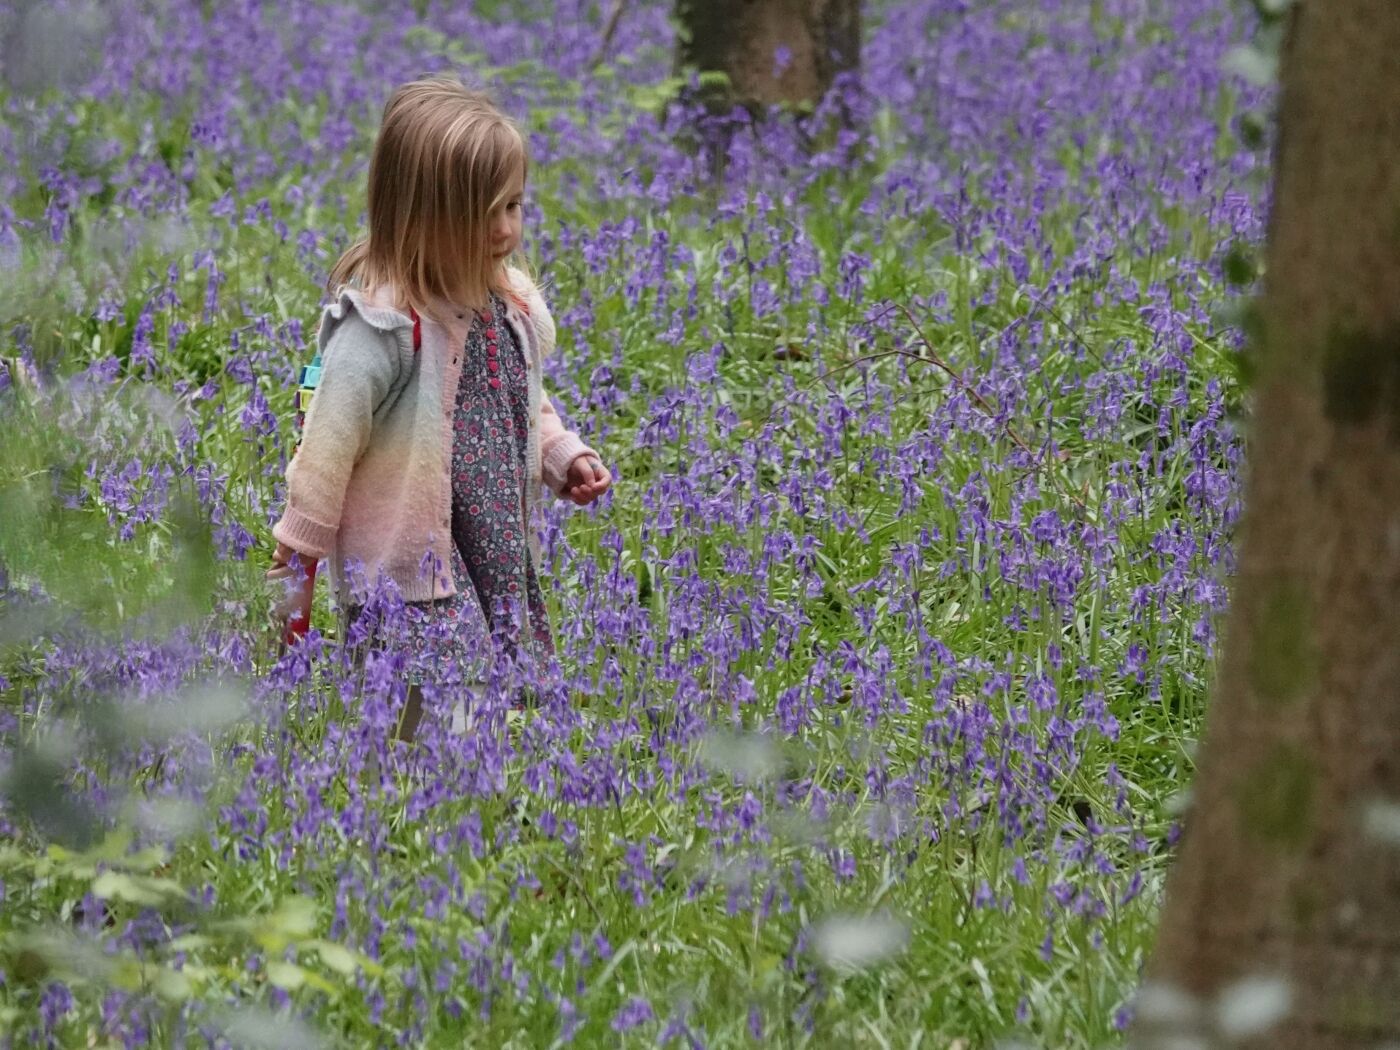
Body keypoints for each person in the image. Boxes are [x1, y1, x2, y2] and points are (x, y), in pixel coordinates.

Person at [266, 75, 611, 739]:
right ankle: (404, 806)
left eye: (514, 206)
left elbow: (520, 401)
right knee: (425, 705)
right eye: (484, 214)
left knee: (498, 685)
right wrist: (297, 554)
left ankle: (475, 802)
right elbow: (326, 448)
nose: (506, 229)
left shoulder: (507, 309)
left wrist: (563, 455)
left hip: (492, 548)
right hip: (407, 564)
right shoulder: (382, 333)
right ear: (421, 216)